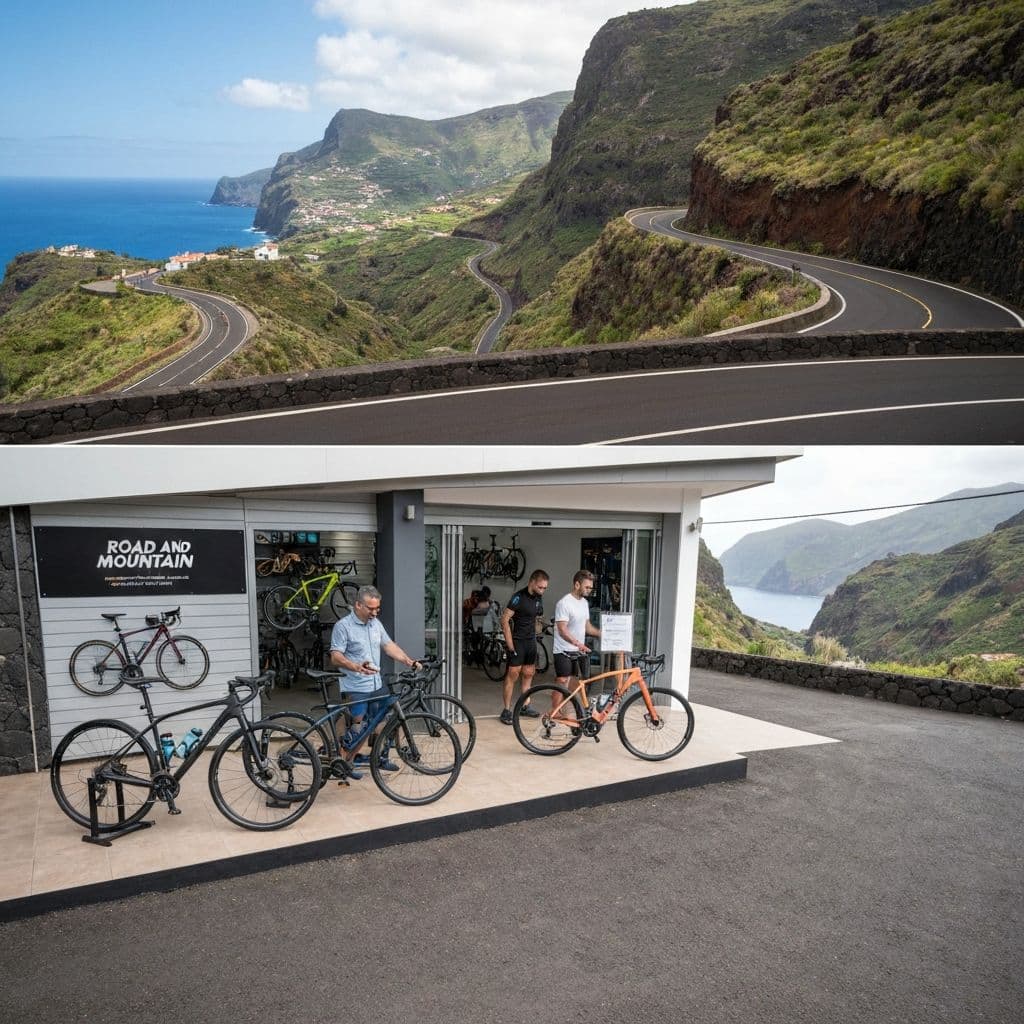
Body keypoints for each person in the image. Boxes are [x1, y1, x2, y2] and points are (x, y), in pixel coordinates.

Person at [329, 584, 421, 777]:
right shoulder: (343, 626)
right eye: (371, 608)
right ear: (358, 605)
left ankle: (379, 758)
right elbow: (335, 656)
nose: (374, 612)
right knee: (358, 727)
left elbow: (388, 646)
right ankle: (346, 763)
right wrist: (355, 666)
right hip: (356, 686)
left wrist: (408, 661)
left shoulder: (375, 624)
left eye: (377, 608)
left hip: (376, 683)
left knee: (383, 721)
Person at [498, 569, 549, 724]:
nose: (542, 591)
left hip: (530, 641)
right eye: (540, 587)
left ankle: (525, 706)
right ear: (532, 582)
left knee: (528, 674)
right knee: (513, 675)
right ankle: (506, 710)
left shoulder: (539, 598)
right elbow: (504, 619)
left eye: (545, 588)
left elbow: (536, 618)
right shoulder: (518, 597)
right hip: (517, 641)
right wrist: (510, 644)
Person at [552, 570, 602, 710]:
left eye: (591, 588)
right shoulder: (564, 603)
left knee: (575, 683)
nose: (589, 590)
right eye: (587, 587)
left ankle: (571, 711)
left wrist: (603, 634)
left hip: (578, 650)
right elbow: (562, 630)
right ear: (577, 584)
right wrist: (578, 643)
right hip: (563, 650)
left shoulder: (584, 603)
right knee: (562, 681)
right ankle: (554, 712)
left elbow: (587, 627)